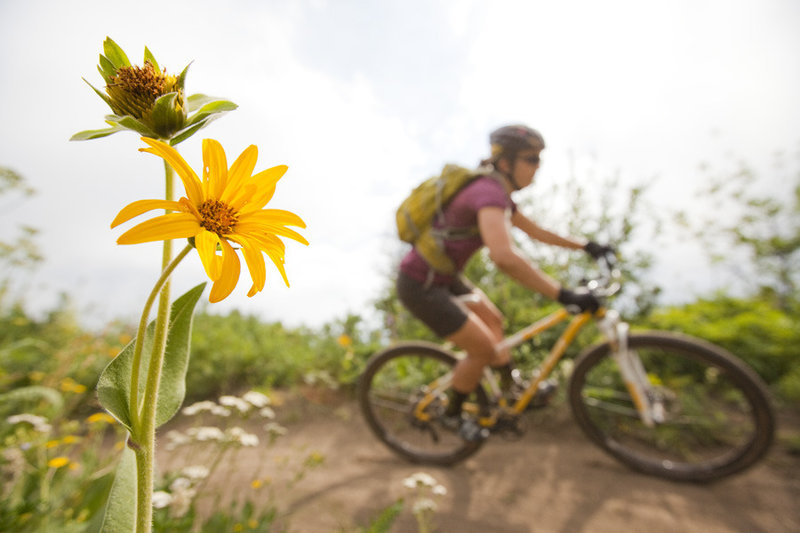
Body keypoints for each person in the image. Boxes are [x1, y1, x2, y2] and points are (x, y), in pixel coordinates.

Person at [396, 124, 613, 441]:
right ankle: (452, 414)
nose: (537, 168)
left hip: (445, 277)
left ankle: (510, 391)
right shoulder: (488, 193)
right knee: (482, 348)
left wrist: (586, 245)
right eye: (531, 159)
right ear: (506, 162)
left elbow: (537, 232)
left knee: (494, 321)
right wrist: (562, 293)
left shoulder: (497, 194)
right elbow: (504, 256)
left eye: (539, 160)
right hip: (420, 285)